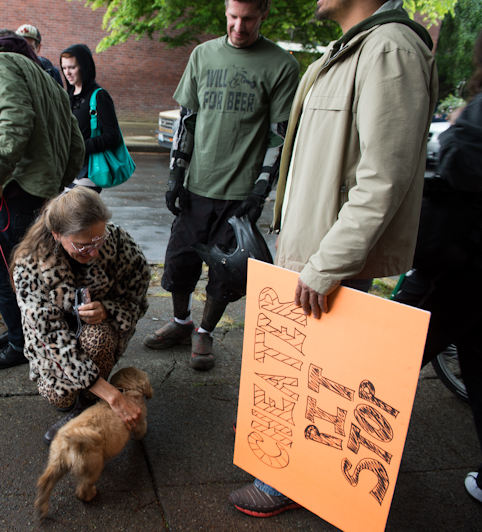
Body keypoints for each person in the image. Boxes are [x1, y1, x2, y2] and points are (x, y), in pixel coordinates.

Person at [228, 0, 438, 517]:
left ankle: (288, 481)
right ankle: (285, 469)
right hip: (315, 249)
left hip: (330, 257)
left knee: (322, 380)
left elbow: (383, 178)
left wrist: (327, 264)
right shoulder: (354, 47)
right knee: (306, 370)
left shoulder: (389, 49)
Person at [144, 0, 299, 371]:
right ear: (226, 11)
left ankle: (205, 331)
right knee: (179, 263)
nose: (239, 27)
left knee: (227, 273)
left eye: (248, 19)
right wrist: (176, 175)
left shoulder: (281, 65)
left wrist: (261, 188)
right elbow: (188, 120)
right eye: (233, 17)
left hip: (240, 194)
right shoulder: (202, 55)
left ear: (264, 14)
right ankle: (181, 322)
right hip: (196, 187)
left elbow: (279, 135)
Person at [392, 27, 482, 505]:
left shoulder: (476, 117)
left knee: (388, 359)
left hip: (458, 264)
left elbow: (461, 168)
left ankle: (353, 463)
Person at [0, 30, 85, 370]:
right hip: (40, 191)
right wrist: (56, 179)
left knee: (0, 272)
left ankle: (20, 344)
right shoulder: (47, 78)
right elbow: (76, 141)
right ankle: (20, 333)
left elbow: (16, 118)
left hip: (12, 190)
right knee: (31, 271)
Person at [11, 187, 151, 444]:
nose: (95, 252)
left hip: (95, 333)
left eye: (99, 241)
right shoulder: (29, 264)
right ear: (57, 234)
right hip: (54, 346)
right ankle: (90, 395)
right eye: (83, 246)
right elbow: (49, 337)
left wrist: (108, 309)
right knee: (59, 397)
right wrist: (114, 397)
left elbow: (137, 299)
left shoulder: (119, 243)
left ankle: (87, 403)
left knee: (99, 338)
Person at [60, 44, 125, 192]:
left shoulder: (99, 96)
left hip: (88, 172)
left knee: (76, 207)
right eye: (64, 68)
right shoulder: (68, 96)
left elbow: (112, 135)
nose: (67, 73)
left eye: (72, 67)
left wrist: (80, 147)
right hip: (68, 170)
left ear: (84, 67)